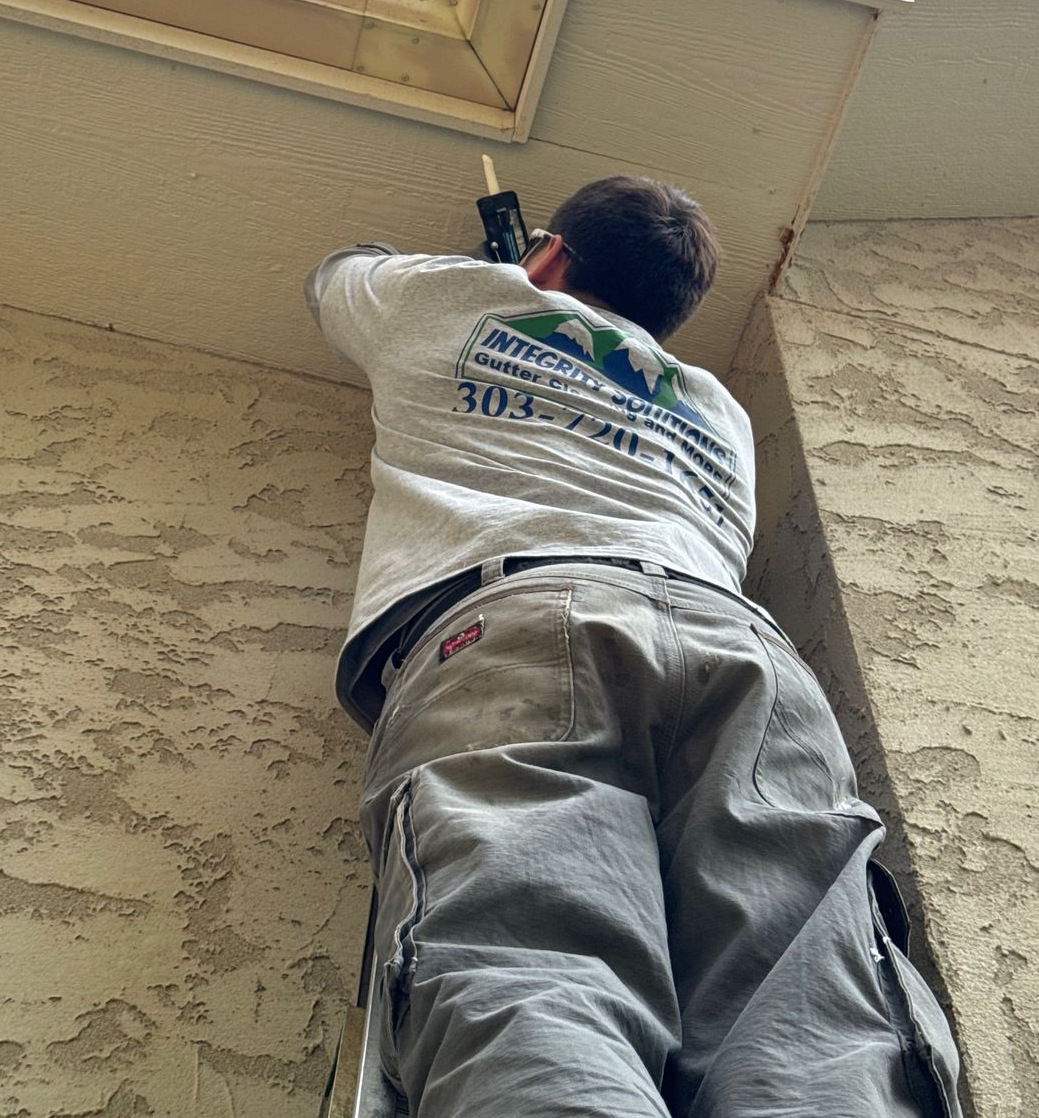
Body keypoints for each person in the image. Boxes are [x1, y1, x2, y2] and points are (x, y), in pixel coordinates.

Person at [305, 174, 961, 1118]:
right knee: (818, 1012)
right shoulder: (719, 414)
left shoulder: (445, 299)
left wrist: (510, 273)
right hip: (742, 652)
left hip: (528, 620)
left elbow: (340, 277)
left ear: (553, 255)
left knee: (529, 962)